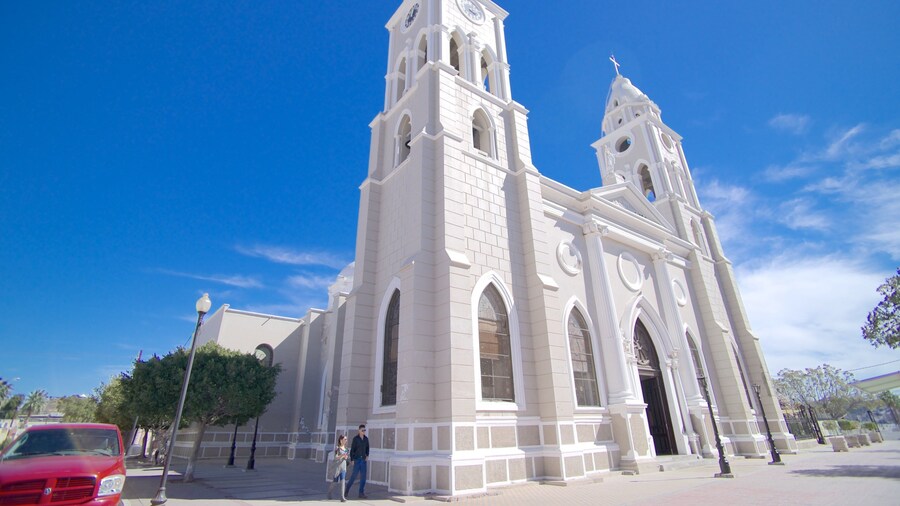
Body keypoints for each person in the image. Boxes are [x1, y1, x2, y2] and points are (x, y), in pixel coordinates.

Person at [344, 424, 370, 499]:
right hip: (357, 460)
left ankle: (361, 493)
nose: (364, 431)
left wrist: (367, 455)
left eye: (364, 430)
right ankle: (347, 489)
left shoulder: (366, 439)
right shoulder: (355, 439)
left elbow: (368, 447)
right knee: (353, 476)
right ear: (359, 431)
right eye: (362, 430)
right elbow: (352, 450)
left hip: (363, 460)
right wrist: (352, 459)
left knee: (363, 477)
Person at [327, 435, 349, 502]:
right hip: (337, 467)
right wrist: (342, 455)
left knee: (343, 481)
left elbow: (347, 457)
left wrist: (346, 457)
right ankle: (329, 492)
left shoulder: (346, 449)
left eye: (346, 439)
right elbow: (335, 457)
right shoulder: (337, 448)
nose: (346, 441)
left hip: (343, 466)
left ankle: (342, 497)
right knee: (335, 482)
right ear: (341, 440)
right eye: (345, 439)